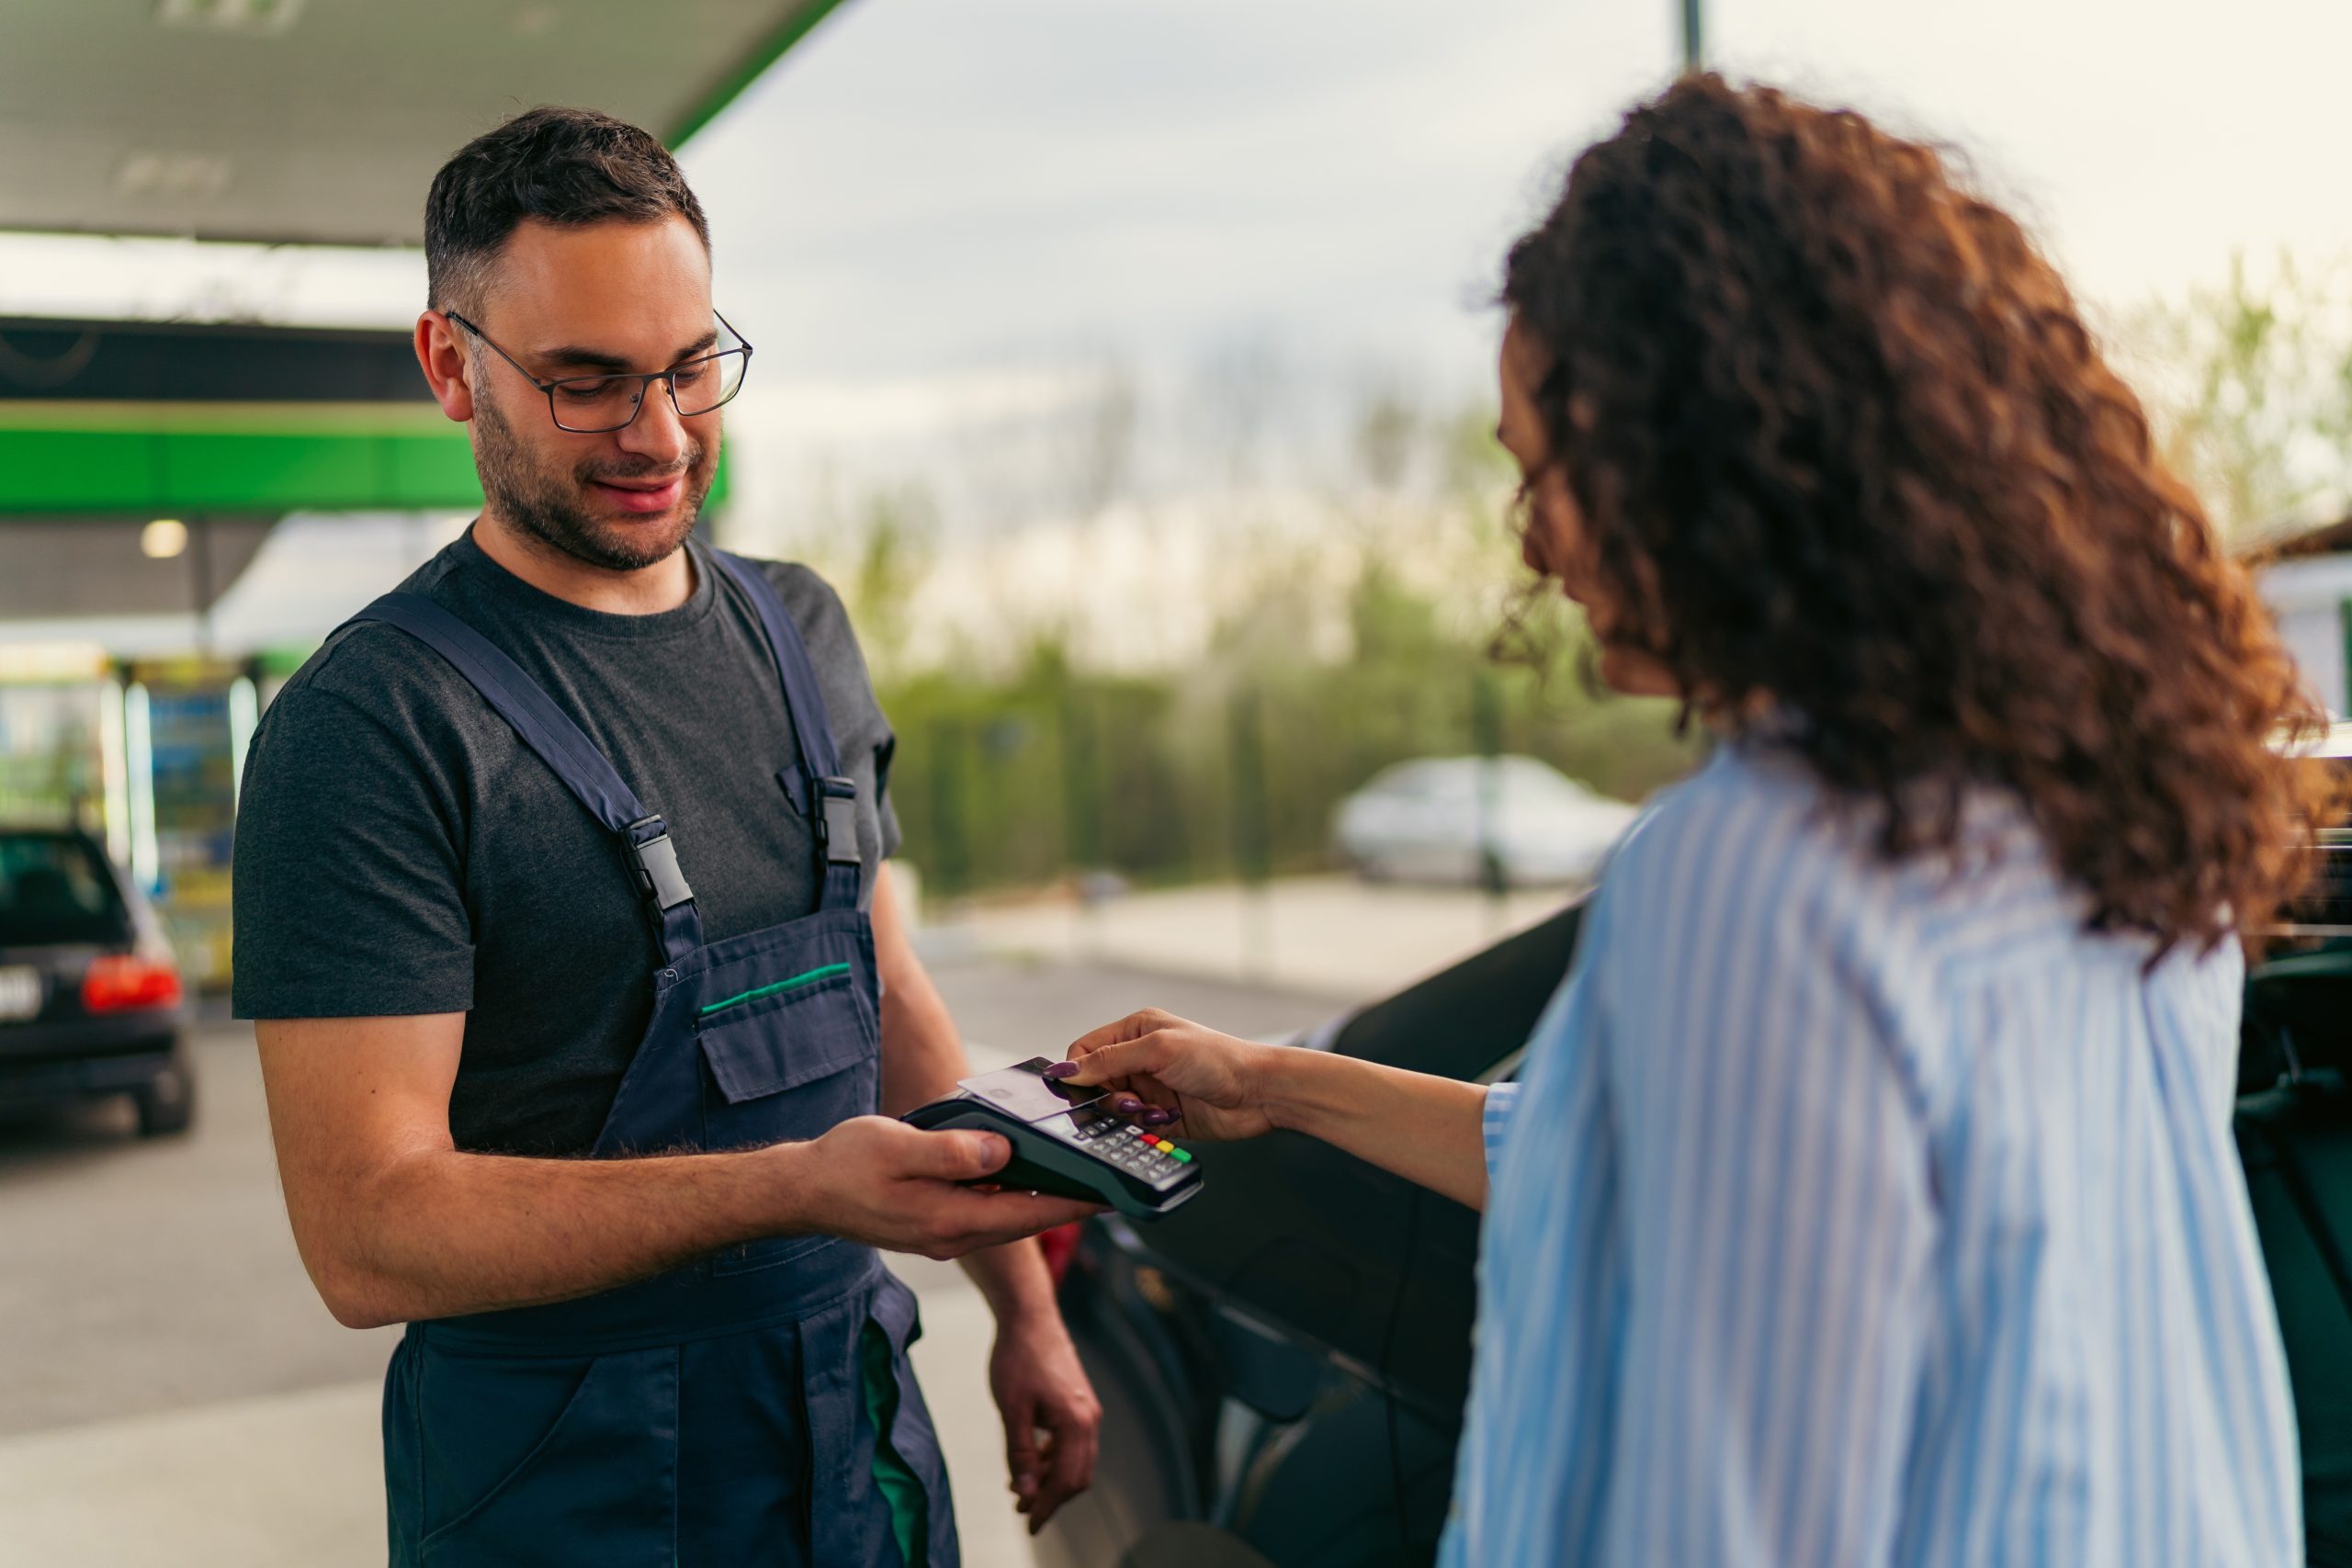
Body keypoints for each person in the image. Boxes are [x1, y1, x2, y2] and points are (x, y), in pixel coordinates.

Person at [1055, 75, 2340, 1566]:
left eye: (1554, 469)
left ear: (1718, 450)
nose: (1536, 536)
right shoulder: (2115, 798)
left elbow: (1716, 1511)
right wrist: (1274, 1083)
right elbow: (1634, 1151)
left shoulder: (1765, 868)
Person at [233, 107, 1102, 1568]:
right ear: (451, 366)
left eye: (692, 367)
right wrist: (799, 1184)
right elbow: (366, 1235)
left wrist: (1029, 1314)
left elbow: (889, 997)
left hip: (849, 1422)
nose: (658, 435)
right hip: (570, 1485)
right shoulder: (375, 726)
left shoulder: (801, 629)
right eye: (585, 384)